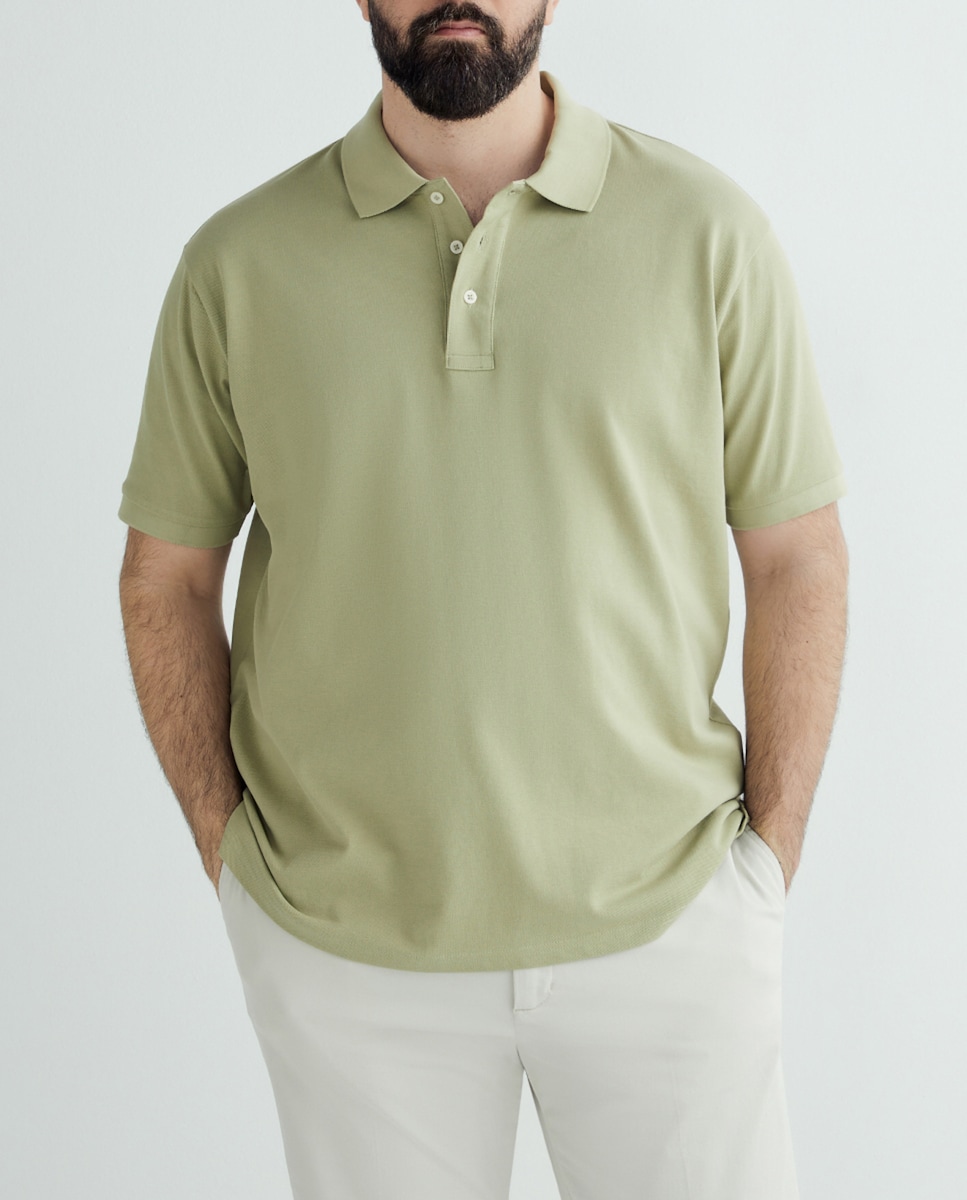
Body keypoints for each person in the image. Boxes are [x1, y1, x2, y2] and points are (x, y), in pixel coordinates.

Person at [117, 2, 849, 1197]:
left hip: (671, 928)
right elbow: (168, 573)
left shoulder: (707, 233)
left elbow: (796, 555)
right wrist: (230, 855)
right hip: (347, 953)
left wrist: (766, 857)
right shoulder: (237, 265)